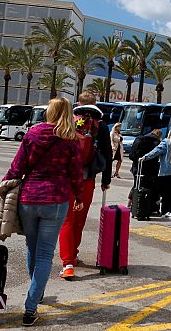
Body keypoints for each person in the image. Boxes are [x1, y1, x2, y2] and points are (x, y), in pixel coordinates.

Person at [0, 97, 83, 327]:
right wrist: (79, 196)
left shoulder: (32, 134)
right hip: (55, 199)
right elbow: (75, 173)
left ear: (49, 112)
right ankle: (31, 305)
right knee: (45, 254)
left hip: (29, 198)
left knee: (32, 248)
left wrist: (1, 187)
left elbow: (17, 167)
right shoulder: (70, 139)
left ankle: (37, 292)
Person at [58, 92, 113, 280]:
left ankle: (68, 264)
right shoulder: (102, 126)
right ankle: (74, 253)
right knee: (80, 220)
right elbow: (107, 154)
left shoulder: (69, 122)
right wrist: (106, 180)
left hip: (66, 179)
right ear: (95, 104)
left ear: (79, 104)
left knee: (67, 220)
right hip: (88, 179)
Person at [143, 125, 171, 220]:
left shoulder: (166, 143)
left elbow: (155, 152)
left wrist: (144, 157)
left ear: (169, 132)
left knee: (165, 193)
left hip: (166, 172)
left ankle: (165, 211)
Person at [128, 128, 163, 212]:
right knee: (150, 187)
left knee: (137, 185)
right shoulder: (157, 143)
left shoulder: (140, 139)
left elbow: (132, 155)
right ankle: (147, 206)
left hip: (137, 167)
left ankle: (130, 204)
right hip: (150, 169)